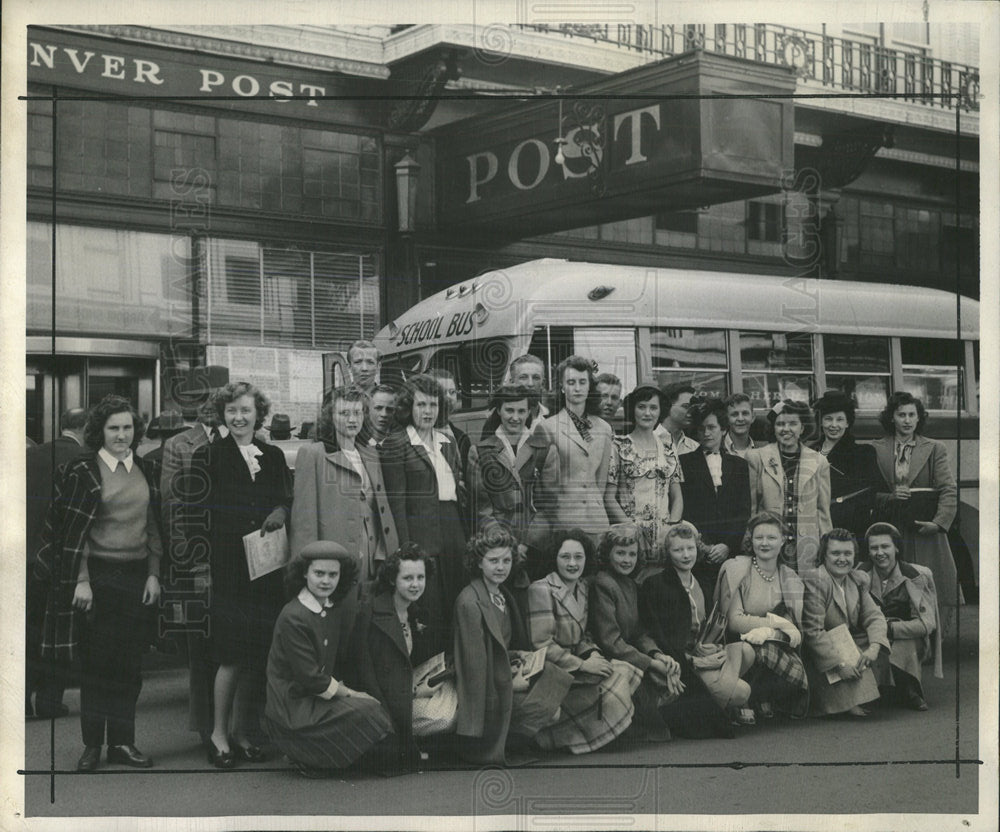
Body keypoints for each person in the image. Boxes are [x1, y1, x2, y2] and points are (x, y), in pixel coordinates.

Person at [34, 395, 162, 771]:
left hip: (136, 578)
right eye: (113, 428)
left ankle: (122, 743)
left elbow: (154, 526)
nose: (122, 435)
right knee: (97, 667)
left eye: (127, 427)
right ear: (99, 432)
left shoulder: (144, 470)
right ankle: (92, 745)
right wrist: (82, 580)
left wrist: (154, 573)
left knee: (128, 667)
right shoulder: (81, 471)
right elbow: (73, 533)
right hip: (97, 580)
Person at [189, 382, 292, 767]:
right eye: (232, 411)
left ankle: (244, 731)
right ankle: (218, 734)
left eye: (246, 411)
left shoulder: (273, 454)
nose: (239, 417)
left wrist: (281, 510)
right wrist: (200, 570)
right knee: (230, 654)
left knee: (257, 655)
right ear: (223, 414)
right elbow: (194, 516)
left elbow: (286, 498)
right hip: (227, 568)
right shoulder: (208, 456)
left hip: (266, 568)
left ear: (257, 414)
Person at [264, 541, 393, 777]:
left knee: (372, 709)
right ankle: (306, 755)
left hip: (312, 696)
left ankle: (316, 756)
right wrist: (352, 694)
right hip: (291, 705)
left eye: (333, 574)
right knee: (368, 709)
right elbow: (310, 679)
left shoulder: (330, 607)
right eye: (319, 573)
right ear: (304, 573)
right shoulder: (294, 616)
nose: (326, 581)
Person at [453, 525, 571, 763]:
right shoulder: (469, 602)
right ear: (478, 563)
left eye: (506, 561)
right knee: (552, 710)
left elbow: (501, 647)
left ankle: (518, 737)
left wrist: (521, 657)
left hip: (505, 670)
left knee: (554, 675)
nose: (500, 567)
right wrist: (510, 681)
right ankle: (507, 740)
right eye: (493, 561)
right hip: (489, 690)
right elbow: (475, 668)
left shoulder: (502, 594)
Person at [160, 379, 234, 750]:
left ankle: (238, 725)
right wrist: (186, 560)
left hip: (237, 558)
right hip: (198, 558)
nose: (209, 406)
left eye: (215, 400)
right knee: (202, 647)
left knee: (235, 646)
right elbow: (172, 506)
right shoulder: (179, 444)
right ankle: (207, 728)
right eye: (204, 400)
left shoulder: (245, 436)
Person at [526, 529, 642, 754]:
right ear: (554, 558)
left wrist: (593, 653)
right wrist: (582, 665)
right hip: (552, 670)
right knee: (615, 680)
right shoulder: (541, 589)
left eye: (578, 557)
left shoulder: (582, 587)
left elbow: (583, 636)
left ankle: (587, 732)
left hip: (575, 663)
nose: (572, 563)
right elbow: (542, 645)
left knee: (623, 669)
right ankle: (560, 736)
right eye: (565, 557)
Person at [381, 374, 468, 655]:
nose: (428, 411)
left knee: (456, 601)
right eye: (421, 405)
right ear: (409, 407)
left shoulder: (447, 441)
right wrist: (405, 550)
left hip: (453, 530)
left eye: (433, 405)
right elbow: (397, 503)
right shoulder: (397, 443)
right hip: (420, 536)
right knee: (428, 611)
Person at [639, 522, 753, 735]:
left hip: (704, 649)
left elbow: (711, 623)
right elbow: (658, 634)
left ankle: (721, 693)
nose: (685, 555)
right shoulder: (656, 584)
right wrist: (694, 660)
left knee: (746, 651)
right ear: (668, 553)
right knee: (742, 692)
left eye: (690, 548)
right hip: (684, 660)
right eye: (678, 550)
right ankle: (723, 700)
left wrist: (714, 647)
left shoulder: (702, 581)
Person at [870, 392, 961, 634]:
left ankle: (932, 640)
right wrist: (890, 497)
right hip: (891, 528)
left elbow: (948, 489)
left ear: (919, 418)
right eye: (901, 415)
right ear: (892, 418)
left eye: (912, 415)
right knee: (895, 583)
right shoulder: (876, 448)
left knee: (928, 582)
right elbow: (870, 492)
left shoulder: (934, 448)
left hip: (923, 527)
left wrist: (939, 524)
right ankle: (902, 636)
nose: (907, 420)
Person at [291, 386, 399, 582]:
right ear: (330, 417)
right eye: (344, 413)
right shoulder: (314, 454)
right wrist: (306, 571)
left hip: (374, 557)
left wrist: (385, 552)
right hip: (334, 562)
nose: (352, 419)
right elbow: (304, 523)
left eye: (357, 413)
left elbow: (381, 511)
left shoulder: (371, 454)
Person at [351, 544, 443, 769]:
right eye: (408, 578)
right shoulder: (370, 610)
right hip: (382, 704)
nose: (415, 584)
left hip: (405, 693)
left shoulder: (416, 611)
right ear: (393, 579)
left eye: (420, 577)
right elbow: (362, 667)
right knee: (443, 717)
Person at [589, 523, 682, 741]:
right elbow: (610, 641)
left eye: (632, 554)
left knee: (670, 673)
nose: (626, 560)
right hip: (609, 657)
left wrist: (657, 654)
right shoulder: (603, 583)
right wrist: (650, 663)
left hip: (630, 654)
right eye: (620, 553)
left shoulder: (629, 584)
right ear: (607, 554)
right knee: (656, 731)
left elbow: (639, 631)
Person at [714, 513, 809, 720]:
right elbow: (734, 622)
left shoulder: (789, 577)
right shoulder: (736, 569)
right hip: (736, 645)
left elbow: (794, 628)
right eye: (759, 538)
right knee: (748, 650)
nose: (764, 543)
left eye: (771, 538)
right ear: (751, 539)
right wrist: (776, 623)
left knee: (774, 653)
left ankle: (764, 696)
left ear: (783, 540)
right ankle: (740, 700)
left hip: (775, 645)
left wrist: (769, 631)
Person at [26, 406, 86, 720]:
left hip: (24, 557)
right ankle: (50, 701)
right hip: (62, 559)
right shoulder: (84, 460)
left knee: (26, 631)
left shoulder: (31, 455)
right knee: (58, 632)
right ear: (87, 428)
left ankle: (19, 700)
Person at [527, 355, 616, 553]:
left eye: (582, 382)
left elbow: (601, 481)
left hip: (597, 521)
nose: (577, 388)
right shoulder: (547, 427)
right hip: (564, 521)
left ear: (589, 387)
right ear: (562, 387)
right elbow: (538, 482)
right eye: (571, 382)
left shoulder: (604, 428)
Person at [802, 529, 889, 717]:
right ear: (824, 556)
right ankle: (844, 701)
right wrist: (839, 666)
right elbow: (813, 632)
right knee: (839, 638)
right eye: (835, 553)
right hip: (820, 654)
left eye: (848, 554)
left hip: (844, 643)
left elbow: (874, 616)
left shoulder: (856, 579)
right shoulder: (816, 580)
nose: (843, 559)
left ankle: (863, 694)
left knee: (877, 642)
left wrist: (874, 647)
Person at [859, 522, 943, 711]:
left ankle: (910, 688)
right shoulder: (859, 575)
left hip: (906, 636)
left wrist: (889, 629)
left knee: (906, 643)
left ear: (896, 548)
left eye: (885, 546)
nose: (879, 553)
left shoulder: (917, 575)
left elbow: (926, 624)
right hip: (870, 634)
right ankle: (875, 690)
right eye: (874, 548)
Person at [744, 399, 832, 573]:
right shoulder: (757, 457)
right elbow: (752, 506)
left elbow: (823, 511)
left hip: (806, 547)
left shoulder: (819, 461)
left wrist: (826, 544)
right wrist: (748, 538)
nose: (786, 429)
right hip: (769, 544)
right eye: (780, 424)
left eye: (793, 424)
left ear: (803, 428)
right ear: (773, 428)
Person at [606, 384, 683, 572]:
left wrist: (671, 529)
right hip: (629, 540)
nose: (647, 413)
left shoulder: (668, 447)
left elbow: (677, 497)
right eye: (641, 407)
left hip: (664, 539)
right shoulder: (618, 445)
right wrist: (631, 531)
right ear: (632, 410)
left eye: (653, 408)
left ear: (660, 411)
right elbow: (608, 497)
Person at [681, 397, 751, 594]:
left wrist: (727, 545)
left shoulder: (739, 465)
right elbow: (684, 509)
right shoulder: (683, 463)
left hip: (731, 551)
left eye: (712, 427)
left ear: (723, 430)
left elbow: (743, 510)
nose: (706, 433)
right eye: (702, 428)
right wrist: (703, 546)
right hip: (698, 551)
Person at [807, 390, 881, 541]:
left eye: (840, 420)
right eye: (828, 419)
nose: (834, 425)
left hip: (849, 529)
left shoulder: (863, 453)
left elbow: (871, 493)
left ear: (848, 422)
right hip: (812, 527)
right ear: (821, 421)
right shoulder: (808, 451)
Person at [471, 384, 540, 538]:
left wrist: (529, 544)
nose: (515, 418)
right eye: (509, 410)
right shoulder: (480, 451)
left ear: (529, 412)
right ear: (498, 410)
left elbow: (549, 503)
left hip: (535, 542)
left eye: (521, 411)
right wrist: (500, 539)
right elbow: (481, 507)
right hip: (497, 541)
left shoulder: (542, 448)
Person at [427, 367, 473, 483]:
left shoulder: (461, 437)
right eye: (442, 392)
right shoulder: (418, 435)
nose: (448, 397)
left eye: (452, 392)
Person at [654, 383, 699, 459]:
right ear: (667, 406)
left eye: (694, 407)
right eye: (686, 406)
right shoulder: (648, 441)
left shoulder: (695, 447)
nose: (692, 411)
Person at [357, 383, 398, 451]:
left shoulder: (401, 446)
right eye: (378, 408)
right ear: (367, 410)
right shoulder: (355, 443)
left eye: (389, 409)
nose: (384, 414)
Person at [722, 393, 757, 457]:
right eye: (734, 414)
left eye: (745, 413)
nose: (740, 419)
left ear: (753, 417)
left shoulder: (764, 450)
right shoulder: (715, 448)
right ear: (726, 419)